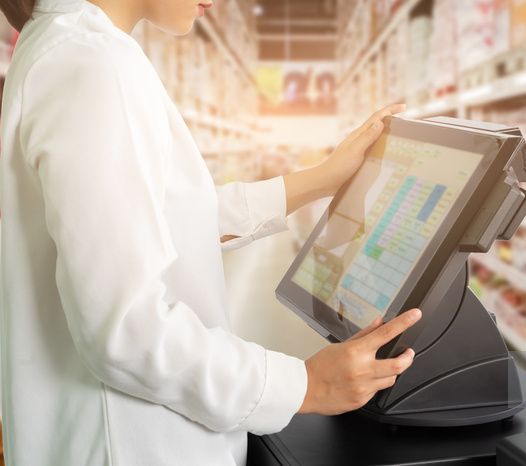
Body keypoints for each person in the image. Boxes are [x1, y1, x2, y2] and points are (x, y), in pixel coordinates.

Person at [0, 0, 421, 464]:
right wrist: (306, 385)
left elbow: (153, 218)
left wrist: (321, 180)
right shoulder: (94, 64)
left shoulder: (68, 46)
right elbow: (125, 328)